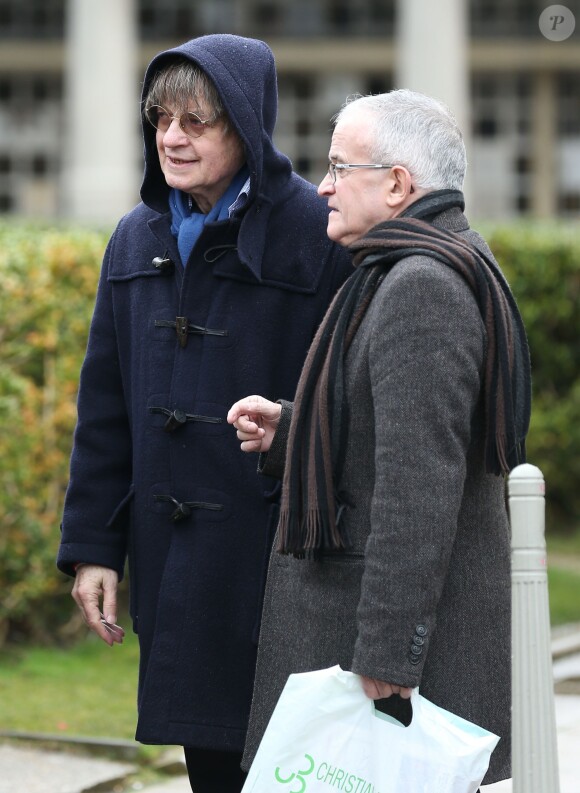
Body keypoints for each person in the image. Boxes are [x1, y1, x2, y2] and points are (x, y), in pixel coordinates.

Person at [56, 34, 352, 793]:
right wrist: (94, 547)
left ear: (246, 126)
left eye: (196, 121)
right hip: (175, 568)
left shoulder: (315, 233)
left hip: (288, 566)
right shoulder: (136, 236)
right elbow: (106, 413)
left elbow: (359, 391)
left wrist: (291, 423)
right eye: (161, 119)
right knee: (211, 771)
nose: (172, 138)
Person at [228, 89, 532, 787]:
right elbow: (389, 434)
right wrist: (295, 430)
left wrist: (390, 657)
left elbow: (418, 486)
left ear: (397, 184)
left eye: (340, 167)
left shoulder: (420, 285)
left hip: (384, 665)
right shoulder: (420, 263)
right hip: (370, 638)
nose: (324, 186)